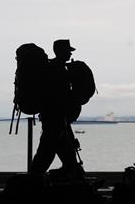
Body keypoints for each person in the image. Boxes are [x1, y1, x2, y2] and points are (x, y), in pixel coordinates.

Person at [31, 39, 84, 180]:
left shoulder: (55, 67)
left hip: (57, 117)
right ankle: (33, 179)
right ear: (60, 51)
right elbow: (59, 95)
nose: (69, 54)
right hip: (55, 117)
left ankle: (75, 178)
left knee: (65, 152)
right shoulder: (57, 69)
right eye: (68, 51)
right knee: (46, 151)